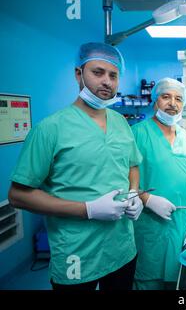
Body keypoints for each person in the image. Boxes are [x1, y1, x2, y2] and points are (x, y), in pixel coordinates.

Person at [7, 42, 144, 290]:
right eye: (98, 72)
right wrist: (88, 209)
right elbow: (18, 196)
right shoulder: (50, 129)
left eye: (113, 75)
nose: (107, 82)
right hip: (77, 254)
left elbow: (132, 165)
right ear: (78, 74)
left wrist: (134, 191)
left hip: (122, 247)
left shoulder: (121, 123)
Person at [131, 78, 186, 290]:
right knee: (148, 279)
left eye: (178, 99)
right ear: (155, 101)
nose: (172, 103)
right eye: (166, 97)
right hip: (149, 226)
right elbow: (118, 179)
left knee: (180, 280)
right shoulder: (137, 134)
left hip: (182, 225)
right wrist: (146, 199)